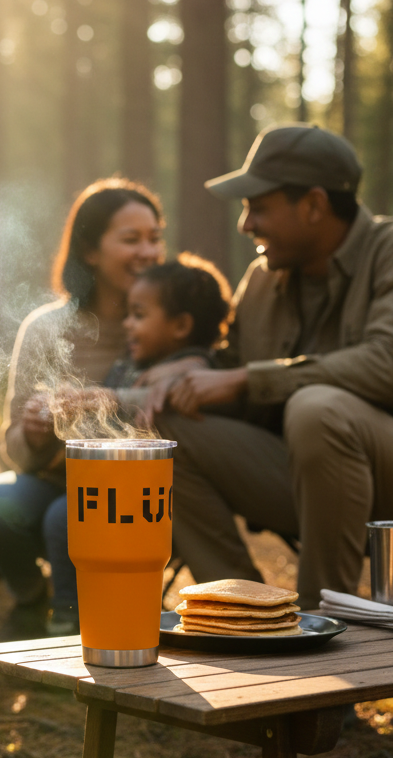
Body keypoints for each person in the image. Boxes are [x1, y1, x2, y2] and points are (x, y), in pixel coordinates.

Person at [149, 123, 393, 610]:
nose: (246, 225)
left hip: (380, 471)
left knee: (316, 409)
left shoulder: (388, 250)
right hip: (306, 474)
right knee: (171, 428)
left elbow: (386, 362)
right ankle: (251, 616)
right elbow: (227, 371)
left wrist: (246, 378)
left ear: (314, 205)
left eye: (258, 207)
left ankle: (323, 622)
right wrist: (184, 374)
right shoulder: (263, 278)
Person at [0, 178, 165, 639]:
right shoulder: (45, 329)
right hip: (57, 483)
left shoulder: (167, 326)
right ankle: (29, 600)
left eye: (155, 238)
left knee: (69, 515)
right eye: (131, 239)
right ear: (90, 250)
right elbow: (13, 447)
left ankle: (72, 627)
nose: (148, 251)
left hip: (143, 496)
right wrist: (34, 434)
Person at [105, 253, 233, 393]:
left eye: (138, 315)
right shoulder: (128, 366)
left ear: (181, 326)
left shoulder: (191, 381)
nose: (127, 324)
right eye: (128, 315)